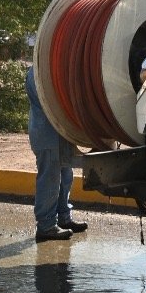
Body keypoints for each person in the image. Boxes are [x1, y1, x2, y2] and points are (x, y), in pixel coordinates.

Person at [26, 64, 86, 241]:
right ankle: (46, 225)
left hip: (59, 134)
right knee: (50, 179)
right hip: (47, 135)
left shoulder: (51, 69)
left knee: (65, 177)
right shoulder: (38, 72)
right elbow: (50, 103)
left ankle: (64, 218)